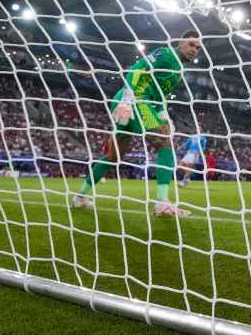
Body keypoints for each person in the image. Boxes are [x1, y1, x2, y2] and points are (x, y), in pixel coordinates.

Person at [72, 30, 202, 217]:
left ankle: (80, 197)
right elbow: (137, 68)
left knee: (113, 157)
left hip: (131, 102)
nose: (194, 50)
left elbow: (158, 95)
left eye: (198, 48)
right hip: (135, 100)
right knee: (165, 143)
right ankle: (162, 203)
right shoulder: (166, 54)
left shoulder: (179, 70)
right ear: (181, 42)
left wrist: (163, 113)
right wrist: (128, 96)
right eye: (191, 44)